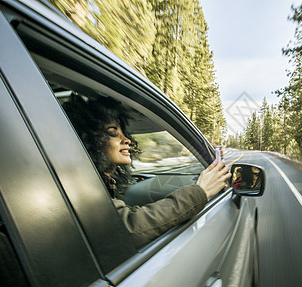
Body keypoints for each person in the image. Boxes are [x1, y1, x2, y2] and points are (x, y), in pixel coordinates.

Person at [63, 94, 231, 247]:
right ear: (89, 139)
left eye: (123, 132)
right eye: (113, 133)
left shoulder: (96, 182)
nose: (127, 139)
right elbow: (128, 228)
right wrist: (200, 191)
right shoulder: (81, 188)